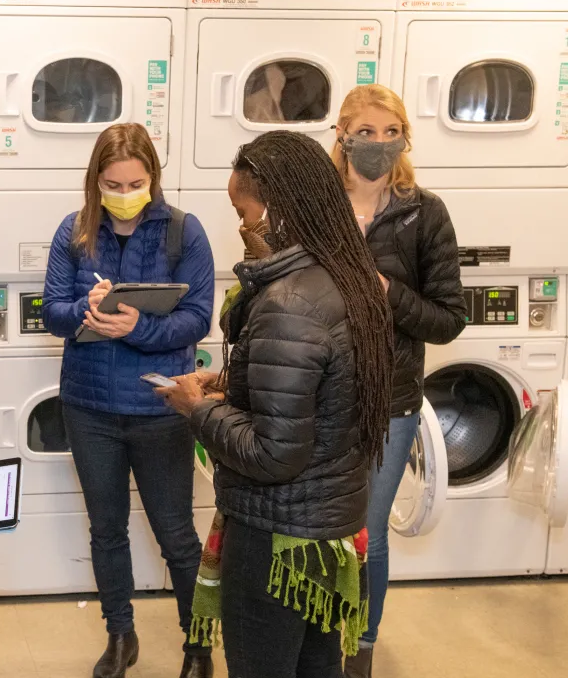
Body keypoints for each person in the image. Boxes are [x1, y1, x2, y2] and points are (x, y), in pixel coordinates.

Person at [158, 131, 395, 678]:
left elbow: (272, 455)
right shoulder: (352, 280)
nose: (242, 225)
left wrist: (197, 407)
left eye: (243, 211)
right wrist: (239, 384)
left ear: (276, 211)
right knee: (316, 668)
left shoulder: (287, 303)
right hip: (331, 534)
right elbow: (324, 397)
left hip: (277, 541)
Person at [42, 123, 216, 678]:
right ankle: (121, 635)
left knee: (177, 537)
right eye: (111, 184)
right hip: (89, 408)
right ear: (95, 182)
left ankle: (198, 644)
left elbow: (197, 319)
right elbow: (51, 312)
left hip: (161, 409)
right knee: (107, 530)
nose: (123, 193)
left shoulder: (184, 233)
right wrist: (88, 311)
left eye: (134, 182)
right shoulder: (74, 231)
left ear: (153, 178)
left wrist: (135, 327)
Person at [331, 84, 467, 677]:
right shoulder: (317, 206)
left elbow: (449, 320)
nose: (379, 145)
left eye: (391, 133)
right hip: (319, 395)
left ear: (405, 138)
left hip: (389, 401)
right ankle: (316, 636)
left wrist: (389, 295)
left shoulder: (424, 212)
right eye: (366, 132)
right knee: (316, 528)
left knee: (367, 533)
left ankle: (361, 646)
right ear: (342, 135)